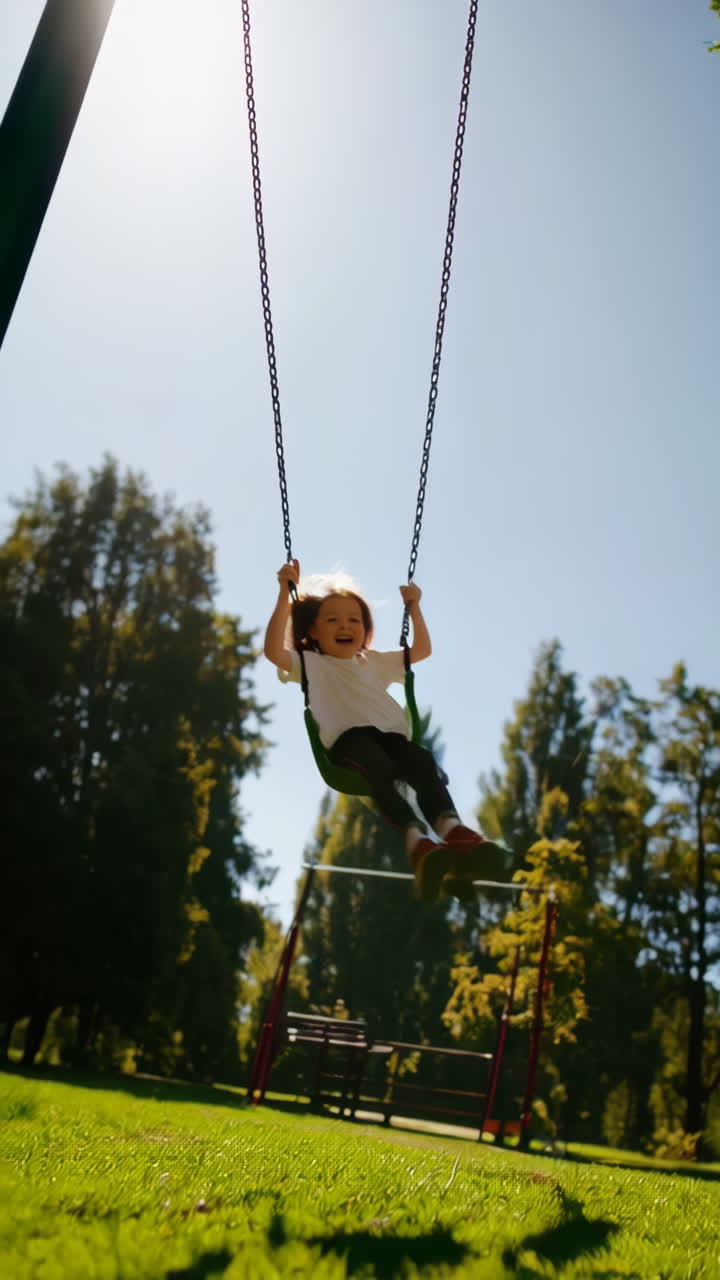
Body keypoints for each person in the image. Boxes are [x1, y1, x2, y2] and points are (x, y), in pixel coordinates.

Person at [264, 560, 505, 902]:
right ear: (313, 631)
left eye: (354, 620)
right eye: (332, 619)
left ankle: (453, 832)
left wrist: (415, 609)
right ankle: (416, 841)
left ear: (365, 629)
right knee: (378, 766)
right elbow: (273, 652)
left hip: (391, 738)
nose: (345, 626)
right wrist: (283, 596)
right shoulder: (309, 663)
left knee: (420, 762)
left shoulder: (373, 661)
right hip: (349, 743)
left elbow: (421, 651)